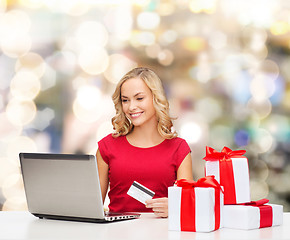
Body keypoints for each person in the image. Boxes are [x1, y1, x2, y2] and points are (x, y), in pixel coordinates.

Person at [96, 67, 193, 218]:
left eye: (139, 98)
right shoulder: (106, 147)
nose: (131, 107)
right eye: (125, 100)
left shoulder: (179, 148)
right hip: (117, 233)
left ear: (156, 98)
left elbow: (189, 205)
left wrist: (176, 206)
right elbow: (93, 207)